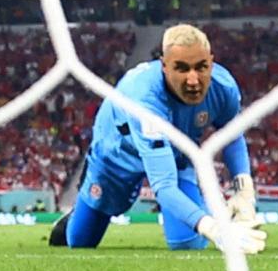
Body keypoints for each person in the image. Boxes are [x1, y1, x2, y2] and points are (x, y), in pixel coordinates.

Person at [49, 25, 265, 253]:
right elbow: (163, 186)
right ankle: (75, 215)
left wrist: (244, 191)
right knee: (81, 242)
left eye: (201, 67)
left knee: (186, 244)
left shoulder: (224, 87)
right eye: (181, 69)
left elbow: (232, 135)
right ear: (164, 66)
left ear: (211, 62)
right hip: (118, 155)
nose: (193, 80)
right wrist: (213, 228)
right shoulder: (145, 100)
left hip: (176, 151)